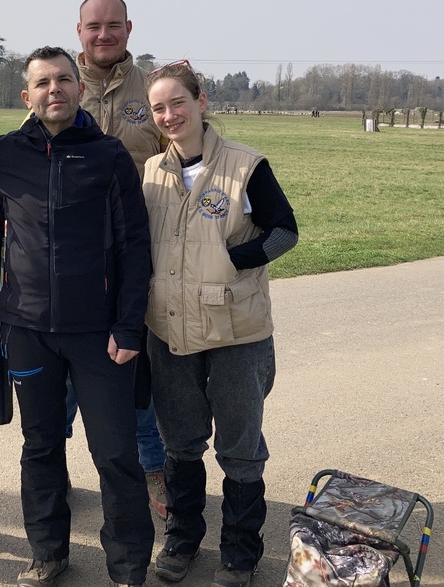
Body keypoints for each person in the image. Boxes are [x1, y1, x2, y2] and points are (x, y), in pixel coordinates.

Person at [0, 46, 154, 587]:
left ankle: (128, 567)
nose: (54, 89)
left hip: (100, 334)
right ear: (26, 95)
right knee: (41, 446)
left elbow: (134, 245)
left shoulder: (109, 156)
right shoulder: (4, 154)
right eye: (42, 82)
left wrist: (129, 325)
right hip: (27, 330)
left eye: (63, 80)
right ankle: (48, 553)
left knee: (116, 453)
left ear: (79, 88)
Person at [141, 61, 298, 587]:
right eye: (159, 107)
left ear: (201, 102)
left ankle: (239, 553)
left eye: (178, 102)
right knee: (180, 442)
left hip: (235, 331)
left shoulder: (245, 166)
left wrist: (233, 259)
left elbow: (285, 232)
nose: (169, 115)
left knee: (240, 447)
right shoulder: (151, 172)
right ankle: (183, 539)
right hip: (169, 331)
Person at [73, 0, 169, 519]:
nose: (104, 34)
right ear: (79, 31)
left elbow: (186, 154)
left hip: (138, 258)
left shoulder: (152, 91)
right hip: (74, 264)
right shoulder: (61, 85)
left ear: (129, 28)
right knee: (65, 379)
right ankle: (54, 470)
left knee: (136, 375)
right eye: (94, 26)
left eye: (113, 25)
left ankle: (153, 469)